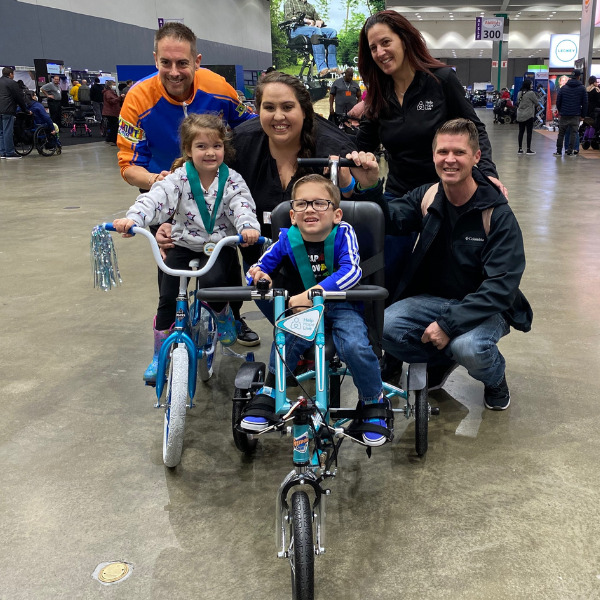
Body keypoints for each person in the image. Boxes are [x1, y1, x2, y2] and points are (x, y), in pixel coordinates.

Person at [362, 118, 532, 410]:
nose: (449, 159)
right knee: (385, 326)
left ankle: (494, 378)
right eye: (442, 152)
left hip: (485, 307)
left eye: (459, 152)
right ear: (433, 156)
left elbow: (501, 288)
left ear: (476, 157)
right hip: (435, 300)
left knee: (468, 347)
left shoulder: (496, 214)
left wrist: (447, 325)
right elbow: (390, 219)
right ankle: (441, 359)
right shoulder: (427, 197)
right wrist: (370, 188)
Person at [118, 21, 259, 345]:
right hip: (165, 185)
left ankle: (232, 316)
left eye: (182, 63)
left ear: (197, 61)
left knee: (224, 261)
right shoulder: (138, 99)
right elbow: (128, 166)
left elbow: (251, 126)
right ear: (155, 60)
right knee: (169, 261)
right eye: (165, 63)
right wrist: (157, 182)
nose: (174, 71)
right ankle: (166, 328)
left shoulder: (220, 88)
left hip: (217, 188)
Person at [356, 10, 503, 295]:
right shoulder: (377, 92)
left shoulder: (441, 80)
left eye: (386, 42)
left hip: (446, 194)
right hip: (399, 195)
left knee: (447, 274)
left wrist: (487, 174)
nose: (380, 52)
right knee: (380, 268)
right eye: (373, 47)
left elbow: (475, 129)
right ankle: (381, 329)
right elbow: (361, 145)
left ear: (405, 39)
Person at [242, 173, 392, 447]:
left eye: (319, 204)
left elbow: (352, 271)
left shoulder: (343, 234)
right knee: (285, 339)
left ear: (336, 214)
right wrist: (259, 275)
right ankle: (270, 391)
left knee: (357, 347)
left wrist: (310, 295)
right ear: (292, 215)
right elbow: (261, 264)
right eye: (302, 204)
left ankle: (373, 400)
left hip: (343, 306)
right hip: (305, 313)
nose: (310, 209)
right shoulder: (288, 238)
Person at [112, 113, 261, 383]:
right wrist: (133, 219)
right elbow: (155, 200)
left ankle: (224, 313)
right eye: (201, 146)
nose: (210, 152)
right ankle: (160, 355)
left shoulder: (232, 180)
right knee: (168, 299)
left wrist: (248, 226)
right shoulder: (178, 179)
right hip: (182, 244)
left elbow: (242, 205)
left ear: (224, 148)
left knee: (214, 286)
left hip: (217, 246)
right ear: (188, 150)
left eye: (216, 146)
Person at [283, 0, 339, 76]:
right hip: (296, 29)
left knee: (332, 32)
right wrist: (306, 21)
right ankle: (322, 68)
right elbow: (288, 17)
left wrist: (320, 22)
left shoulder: (310, 6)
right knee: (315, 31)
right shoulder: (290, 2)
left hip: (312, 29)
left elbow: (318, 19)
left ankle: (333, 67)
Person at [554, 69, 587, 157]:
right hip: (575, 115)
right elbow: (585, 103)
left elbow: (558, 101)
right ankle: (570, 151)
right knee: (573, 133)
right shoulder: (582, 88)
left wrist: (561, 111)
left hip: (564, 114)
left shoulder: (564, 88)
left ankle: (558, 151)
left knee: (561, 134)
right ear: (579, 77)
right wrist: (582, 115)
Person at [0, 67, 30, 160]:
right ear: (10, 74)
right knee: (8, 131)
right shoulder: (12, 83)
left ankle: (2, 152)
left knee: (1, 132)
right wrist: (26, 110)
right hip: (8, 110)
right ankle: (10, 153)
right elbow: (19, 98)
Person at [515, 79, 541, 155]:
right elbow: (536, 102)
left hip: (520, 115)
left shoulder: (519, 93)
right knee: (529, 132)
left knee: (521, 132)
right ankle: (528, 149)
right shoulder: (531, 93)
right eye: (531, 84)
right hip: (529, 115)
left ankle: (520, 149)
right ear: (528, 85)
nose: (532, 85)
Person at [102, 81, 121, 146]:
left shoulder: (108, 92)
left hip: (109, 112)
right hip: (111, 112)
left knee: (111, 125)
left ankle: (109, 138)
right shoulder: (109, 93)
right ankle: (114, 140)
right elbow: (111, 101)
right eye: (113, 84)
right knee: (114, 126)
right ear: (110, 85)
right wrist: (120, 98)